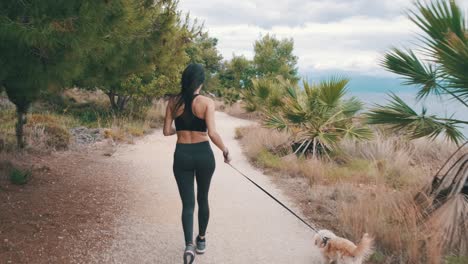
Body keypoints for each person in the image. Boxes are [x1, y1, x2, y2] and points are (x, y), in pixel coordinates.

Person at [163, 63, 231, 264]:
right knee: (203, 198)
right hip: (203, 155)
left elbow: (167, 131)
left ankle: (189, 246)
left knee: (188, 204)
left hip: (182, 154)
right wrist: (225, 151)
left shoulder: (173, 102)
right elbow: (213, 133)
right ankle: (201, 239)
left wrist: (181, 131)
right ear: (200, 82)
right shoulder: (207, 102)